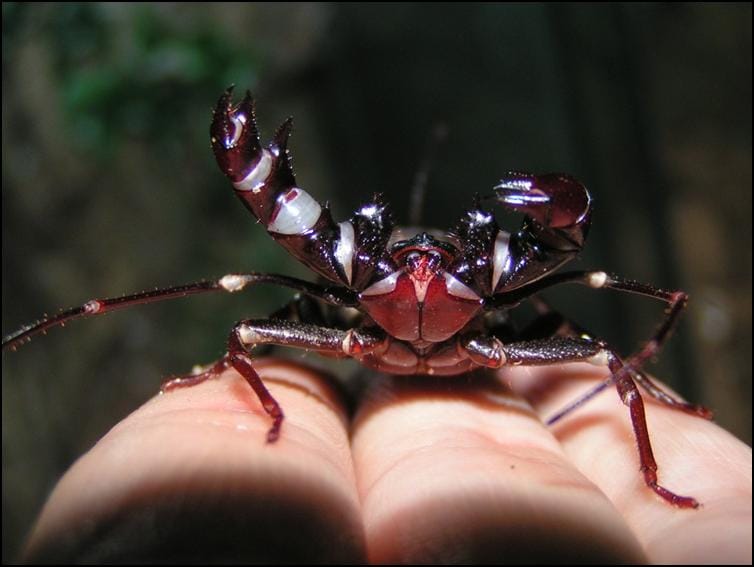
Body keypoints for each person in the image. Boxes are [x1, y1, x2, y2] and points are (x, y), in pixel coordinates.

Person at [23, 359, 752, 563]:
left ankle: (655, 466)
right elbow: (249, 332)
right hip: (361, 343)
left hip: (483, 346)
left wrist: (650, 473)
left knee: (608, 358)